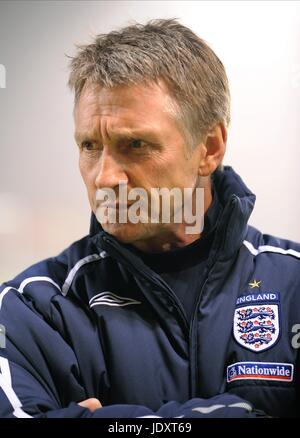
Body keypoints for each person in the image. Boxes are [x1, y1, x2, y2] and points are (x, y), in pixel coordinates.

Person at [0, 18, 299, 419]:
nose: (105, 178)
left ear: (209, 148)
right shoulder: (31, 309)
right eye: (90, 145)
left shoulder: (293, 286)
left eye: (135, 144)